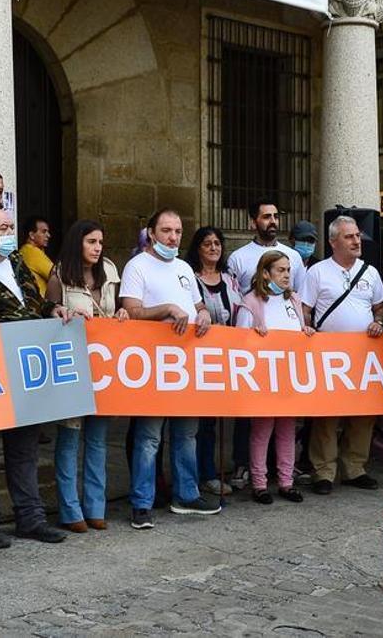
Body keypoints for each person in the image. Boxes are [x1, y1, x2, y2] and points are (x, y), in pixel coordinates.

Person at [0, 207, 72, 547]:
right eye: (4, 227)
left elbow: (34, 303)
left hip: (24, 372)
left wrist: (53, 309)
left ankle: (30, 518)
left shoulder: (17, 262)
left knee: (24, 449)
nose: (11, 232)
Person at [119, 208, 220, 528]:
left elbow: (197, 304)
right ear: (151, 233)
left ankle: (186, 495)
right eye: (166, 231)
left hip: (185, 363)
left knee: (187, 432)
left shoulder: (184, 268)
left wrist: (203, 314)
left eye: (177, 231)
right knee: (149, 437)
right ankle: (142, 503)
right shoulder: (137, 266)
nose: (173, 237)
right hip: (153, 363)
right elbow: (130, 310)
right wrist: (165, 309)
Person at [46, 219, 128, 533]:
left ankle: (96, 507)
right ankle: (70, 511)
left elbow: (115, 309)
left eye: (100, 242)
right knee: (69, 438)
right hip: (72, 368)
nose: (97, 248)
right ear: (77, 242)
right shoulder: (59, 273)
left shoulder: (108, 269)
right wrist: (63, 315)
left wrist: (122, 313)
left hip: (103, 369)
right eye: (91, 241)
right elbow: (49, 312)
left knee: (97, 439)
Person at [301, 215, 383, 494]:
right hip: (329, 353)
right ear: (333, 241)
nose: (356, 241)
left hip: (364, 353)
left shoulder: (370, 272)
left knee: (363, 413)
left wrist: (379, 322)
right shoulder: (317, 272)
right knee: (327, 414)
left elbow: (380, 305)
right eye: (349, 236)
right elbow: (305, 309)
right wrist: (308, 331)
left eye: (357, 236)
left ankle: (355, 468)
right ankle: (323, 471)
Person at [235, 250, 314, 504]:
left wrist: (306, 331)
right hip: (263, 377)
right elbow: (239, 340)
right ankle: (259, 483)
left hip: (288, 377)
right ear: (265, 273)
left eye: (288, 270)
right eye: (280, 270)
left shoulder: (293, 301)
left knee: (287, 430)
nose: (286, 275)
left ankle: (286, 482)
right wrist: (253, 335)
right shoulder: (252, 302)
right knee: (262, 430)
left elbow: (299, 331)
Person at [184, 225, 242, 495]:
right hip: (194, 358)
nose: (213, 248)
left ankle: (209, 472)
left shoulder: (230, 280)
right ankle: (196, 474)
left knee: (214, 420)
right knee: (197, 422)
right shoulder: (189, 278)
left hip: (223, 358)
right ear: (198, 248)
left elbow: (242, 310)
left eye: (217, 243)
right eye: (207, 243)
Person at [227, 200, 307, 292]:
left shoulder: (294, 255)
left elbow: (300, 294)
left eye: (276, 217)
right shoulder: (237, 258)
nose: (273, 221)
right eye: (266, 217)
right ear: (253, 223)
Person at [19, 215, 54, 295]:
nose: (48, 235)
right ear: (31, 235)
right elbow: (57, 276)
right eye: (44, 232)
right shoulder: (31, 251)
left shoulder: (26, 250)